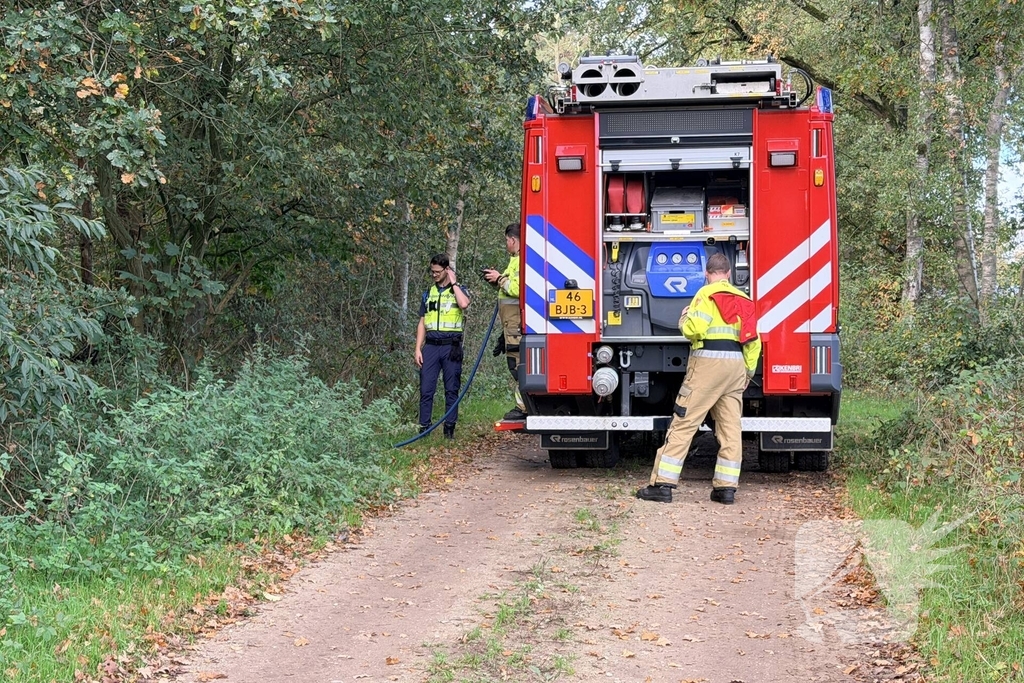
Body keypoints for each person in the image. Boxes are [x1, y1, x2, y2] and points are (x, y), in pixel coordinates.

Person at [636, 252, 762, 505]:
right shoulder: (744, 299)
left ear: (707, 274)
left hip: (708, 365)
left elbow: (694, 330)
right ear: (728, 274)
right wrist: (748, 372)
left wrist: (684, 316)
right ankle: (726, 489)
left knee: (684, 422)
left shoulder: (704, 295)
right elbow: (753, 341)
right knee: (730, 428)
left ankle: (662, 484)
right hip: (736, 366)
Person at [415, 254, 470, 439]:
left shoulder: (458, 290)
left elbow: (464, 304)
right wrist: (417, 348)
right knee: (426, 389)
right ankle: (424, 428)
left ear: (447, 270)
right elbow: (422, 322)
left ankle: (449, 429)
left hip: (451, 347)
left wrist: (454, 283)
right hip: (430, 346)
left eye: (438, 272)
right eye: (432, 272)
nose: (434, 275)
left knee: (451, 388)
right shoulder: (428, 293)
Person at [483, 223, 526, 421]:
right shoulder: (514, 260)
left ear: (513, 240)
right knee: (514, 363)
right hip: (510, 325)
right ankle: (524, 404)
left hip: (516, 325)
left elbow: (518, 290)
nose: (505, 245)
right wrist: (497, 282)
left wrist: (499, 278)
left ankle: (524, 406)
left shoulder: (521, 261)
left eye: (506, 241)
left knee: (518, 365)